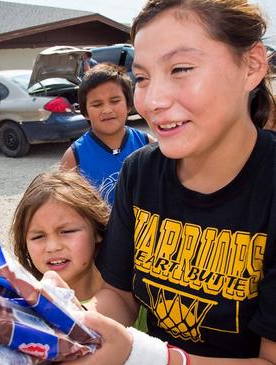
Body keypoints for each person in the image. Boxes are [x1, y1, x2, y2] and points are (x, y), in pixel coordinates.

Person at [60, 0, 276, 364]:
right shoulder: (139, 172)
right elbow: (120, 293)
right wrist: (72, 323)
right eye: (142, 78)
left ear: (252, 66)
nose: (152, 101)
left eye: (180, 68)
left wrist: (148, 356)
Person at [10, 170, 126, 322]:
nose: (52, 247)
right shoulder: (22, 306)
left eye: (67, 231)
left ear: (97, 231)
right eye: (38, 236)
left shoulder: (133, 292)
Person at [61, 63, 155, 206]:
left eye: (115, 101)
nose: (107, 110)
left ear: (129, 105)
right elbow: (68, 209)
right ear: (85, 112)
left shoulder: (148, 144)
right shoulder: (73, 157)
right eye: (97, 104)